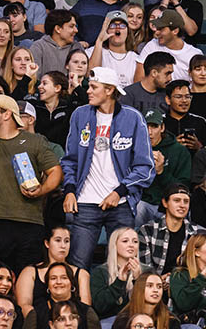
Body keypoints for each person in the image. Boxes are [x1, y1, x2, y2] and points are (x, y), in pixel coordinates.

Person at [61, 66, 154, 268]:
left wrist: (119, 191)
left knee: (123, 266)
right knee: (77, 265)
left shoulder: (133, 118)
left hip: (120, 204)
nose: (88, 91)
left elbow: (145, 167)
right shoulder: (80, 115)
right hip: (84, 202)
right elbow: (70, 160)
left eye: (94, 87)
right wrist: (69, 190)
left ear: (110, 90)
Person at [0, 96, 62, 271]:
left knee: (27, 279)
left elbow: (55, 171)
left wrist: (41, 190)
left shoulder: (34, 141)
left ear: (7, 114)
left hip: (29, 222)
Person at [28, 10, 81, 77]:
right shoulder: (38, 47)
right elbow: (34, 78)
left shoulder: (77, 47)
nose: (76, 30)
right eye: (71, 26)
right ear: (58, 29)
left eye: (75, 26)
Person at [124, 51, 175, 118]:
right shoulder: (128, 94)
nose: (170, 78)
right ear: (154, 73)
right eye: (167, 73)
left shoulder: (168, 94)